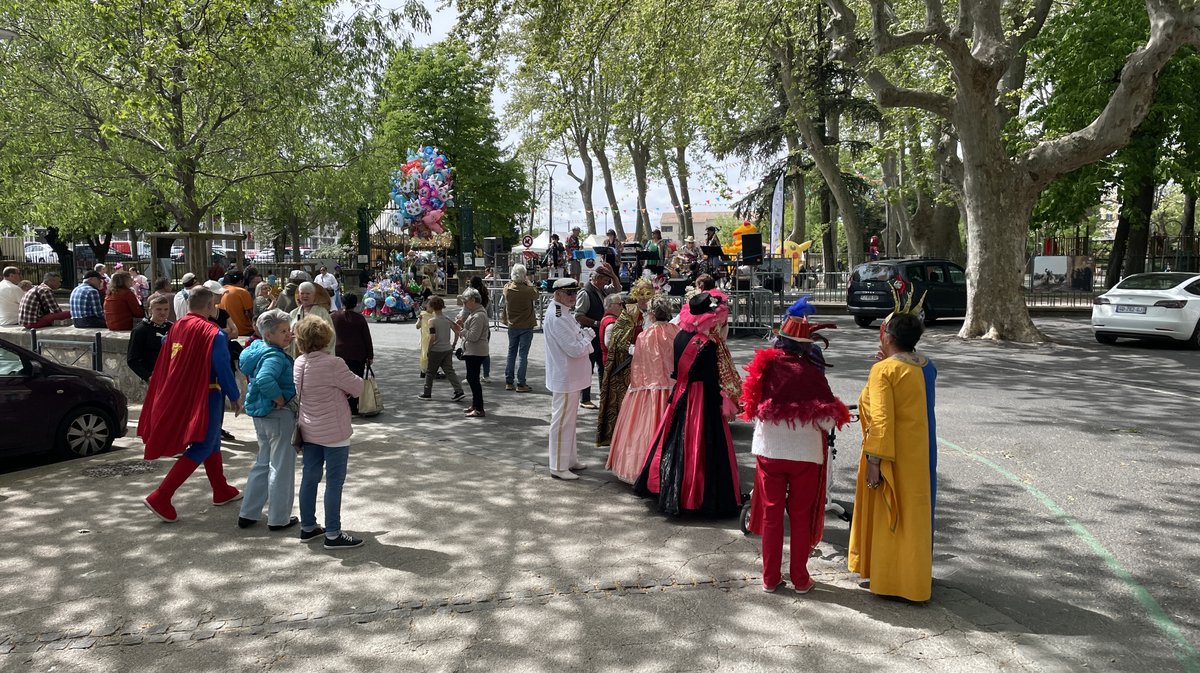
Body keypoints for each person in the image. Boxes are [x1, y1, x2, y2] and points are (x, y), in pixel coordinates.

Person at [742, 296, 850, 594]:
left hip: (769, 452)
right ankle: (800, 578)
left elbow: (751, 406)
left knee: (772, 516)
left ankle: (769, 577)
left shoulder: (764, 367)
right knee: (801, 517)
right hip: (805, 456)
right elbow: (828, 421)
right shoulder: (813, 375)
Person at [848, 296, 938, 603]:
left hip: (892, 454)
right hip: (921, 452)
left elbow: (882, 418)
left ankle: (891, 579)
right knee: (916, 513)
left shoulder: (884, 371)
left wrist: (875, 460)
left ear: (887, 336)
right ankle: (915, 578)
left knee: (891, 514)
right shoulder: (926, 365)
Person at [633, 291, 742, 518]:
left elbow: (676, 370)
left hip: (681, 393)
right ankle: (697, 498)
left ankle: (670, 489)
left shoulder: (681, 335)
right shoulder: (707, 345)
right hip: (701, 399)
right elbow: (712, 382)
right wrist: (723, 403)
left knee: (672, 441)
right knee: (700, 450)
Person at [140, 286, 243, 522]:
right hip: (207, 395)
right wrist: (234, 395)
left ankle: (221, 489)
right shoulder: (214, 333)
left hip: (184, 393)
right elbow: (222, 366)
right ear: (210, 306)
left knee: (212, 441)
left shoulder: (175, 327)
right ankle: (162, 495)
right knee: (204, 445)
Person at [294, 316, 365, 549]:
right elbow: (357, 387)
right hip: (334, 430)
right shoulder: (334, 363)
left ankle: (308, 526)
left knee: (310, 477)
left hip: (309, 428)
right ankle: (333, 533)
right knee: (334, 482)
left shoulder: (299, 363)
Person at [236, 309, 299, 531]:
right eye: (283, 331)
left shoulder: (257, 349)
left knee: (263, 462)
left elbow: (256, 375)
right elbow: (264, 378)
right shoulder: (274, 355)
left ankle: (249, 512)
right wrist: (280, 398)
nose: (288, 335)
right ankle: (279, 518)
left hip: (261, 414)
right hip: (278, 415)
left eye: (288, 330)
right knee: (281, 467)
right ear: (269, 335)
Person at [607, 296, 678, 483]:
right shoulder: (677, 331)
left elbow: (639, 366)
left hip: (647, 389)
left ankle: (640, 468)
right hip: (672, 388)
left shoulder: (645, 335)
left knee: (643, 431)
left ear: (652, 314)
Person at [544, 278, 595, 480]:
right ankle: (557, 465)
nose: (573, 297)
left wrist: (583, 337)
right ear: (557, 294)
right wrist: (588, 338)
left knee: (569, 421)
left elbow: (576, 338)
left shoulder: (563, 312)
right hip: (565, 376)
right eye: (569, 293)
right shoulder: (558, 316)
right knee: (562, 421)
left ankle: (569, 459)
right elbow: (574, 348)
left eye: (574, 293)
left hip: (571, 375)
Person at [594, 290, 637, 448]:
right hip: (615, 367)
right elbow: (611, 344)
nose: (622, 307)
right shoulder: (611, 322)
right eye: (619, 304)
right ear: (610, 306)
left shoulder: (609, 319)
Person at [574, 262, 618, 409]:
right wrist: (597, 323)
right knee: (588, 367)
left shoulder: (602, 290)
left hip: (598, 336)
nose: (607, 283)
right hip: (589, 336)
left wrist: (612, 275)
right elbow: (579, 316)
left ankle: (603, 395)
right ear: (597, 279)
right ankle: (584, 398)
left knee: (603, 367)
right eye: (605, 280)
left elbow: (617, 290)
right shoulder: (585, 293)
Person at [418, 295, 465, 401]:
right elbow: (457, 330)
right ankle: (459, 390)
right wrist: (454, 343)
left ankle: (427, 393)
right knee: (449, 371)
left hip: (436, 349)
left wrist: (429, 349)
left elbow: (432, 337)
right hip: (447, 348)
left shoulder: (432, 321)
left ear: (432, 307)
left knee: (430, 372)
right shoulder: (447, 319)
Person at [333, 293, 374, 415]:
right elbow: (367, 338)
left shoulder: (333, 317)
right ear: (356, 304)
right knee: (356, 380)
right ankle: (353, 406)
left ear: (342, 303)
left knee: (340, 381)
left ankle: (341, 405)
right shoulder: (360, 318)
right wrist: (370, 355)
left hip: (339, 353)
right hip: (358, 354)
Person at [502, 263, 537, 393]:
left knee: (511, 353)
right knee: (523, 355)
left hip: (512, 325)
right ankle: (521, 383)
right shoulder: (528, 290)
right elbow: (536, 295)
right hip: (526, 325)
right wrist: (528, 282)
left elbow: (507, 285)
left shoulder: (508, 289)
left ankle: (509, 381)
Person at [457, 288, 490, 418]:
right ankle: (476, 405)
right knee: (472, 379)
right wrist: (463, 327)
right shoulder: (475, 313)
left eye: (465, 301)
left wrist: (462, 330)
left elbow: (473, 336)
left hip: (476, 351)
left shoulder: (478, 315)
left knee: (473, 379)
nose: (464, 304)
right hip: (473, 350)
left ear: (472, 300)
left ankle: (479, 408)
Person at [126, 295, 173, 383]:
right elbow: (132, 359)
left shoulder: (172, 327)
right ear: (150, 310)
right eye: (159, 309)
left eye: (166, 309)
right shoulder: (140, 330)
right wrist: (148, 377)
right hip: (152, 376)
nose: (163, 312)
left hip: (171, 375)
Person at [287, 282, 335, 356]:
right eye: (302, 293)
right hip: (297, 353)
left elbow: (331, 334)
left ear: (314, 295)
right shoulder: (293, 313)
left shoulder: (322, 312)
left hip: (317, 354)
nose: (305, 296)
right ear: (299, 295)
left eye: (308, 293)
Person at [468, 276, 492, 382]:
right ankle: (486, 375)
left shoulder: (470, 297)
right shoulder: (486, 297)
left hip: (472, 325)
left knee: (470, 352)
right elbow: (490, 314)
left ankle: (472, 375)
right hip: (485, 328)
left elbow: (465, 312)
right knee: (484, 352)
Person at [221, 270, 255, 336]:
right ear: (241, 281)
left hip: (226, 332)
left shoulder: (219, 291)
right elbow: (251, 314)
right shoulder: (242, 292)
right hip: (244, 331)